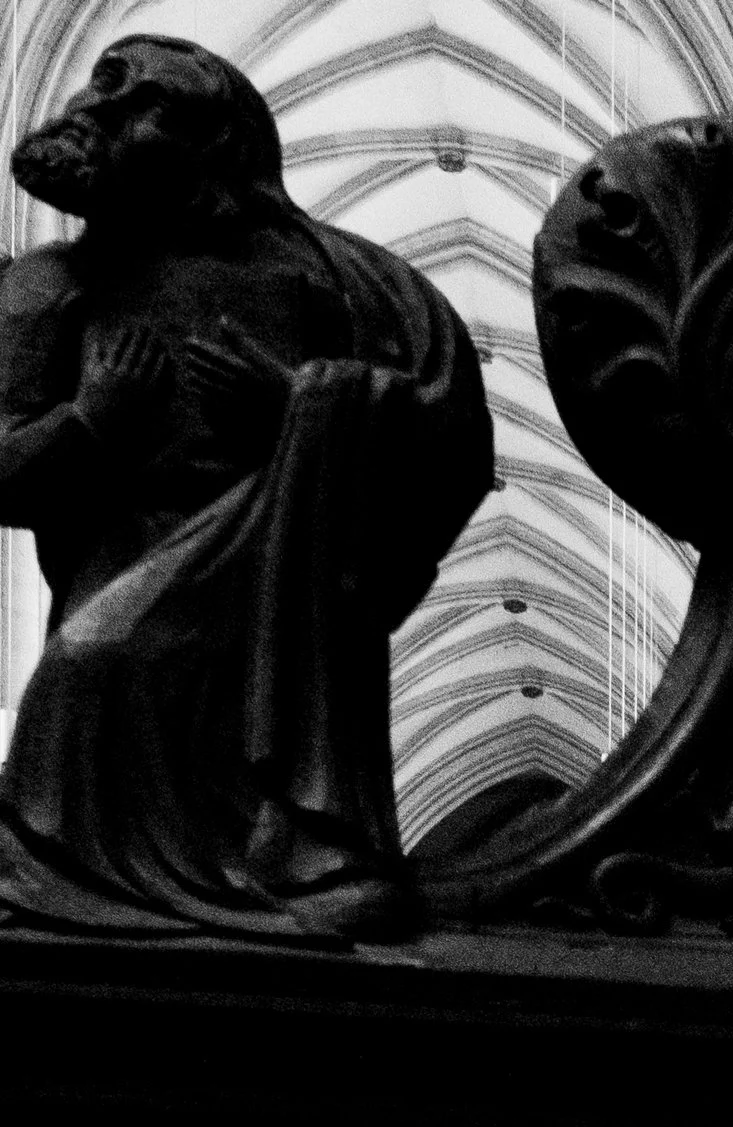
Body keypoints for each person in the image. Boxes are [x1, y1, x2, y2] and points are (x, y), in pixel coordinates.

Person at [0, 38, 490, 938]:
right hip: (120, 561)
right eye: (97, 87)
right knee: (86, 671)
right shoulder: (43, 287)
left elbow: (451, 435)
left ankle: (291, 869)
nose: (97, 111)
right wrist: (93, 422)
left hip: (284, 582)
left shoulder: (332, 276)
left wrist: (301, 410)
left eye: (134, 98)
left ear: (212, 139)